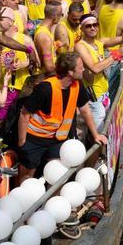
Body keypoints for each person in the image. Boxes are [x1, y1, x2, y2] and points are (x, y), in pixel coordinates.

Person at [16, 51, 107, 182]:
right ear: (70, 72)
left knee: (57, 177)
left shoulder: (77, 85)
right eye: (81, 67)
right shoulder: (45, 89)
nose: (84, 69)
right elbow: (24, 115)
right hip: (34, 140)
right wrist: (22, 142)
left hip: (58, 140)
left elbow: (86, 111)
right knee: (27, 177)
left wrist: (96, 135)